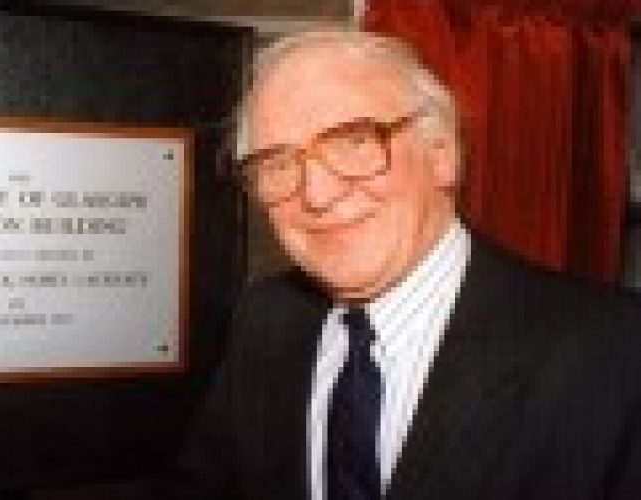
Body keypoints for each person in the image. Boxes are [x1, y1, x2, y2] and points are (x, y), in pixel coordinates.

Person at [161, 26, 641, 500]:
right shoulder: (265, 321)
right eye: (277, 163)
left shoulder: (614, 352)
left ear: (442, 155)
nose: (317, 195)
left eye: (354, 141)